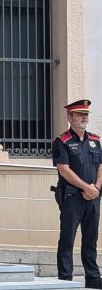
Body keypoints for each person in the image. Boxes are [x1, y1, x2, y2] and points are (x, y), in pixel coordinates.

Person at [53, 99, 102, 288]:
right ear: (69, 117)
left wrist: (96, 187)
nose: (84, 117)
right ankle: (65, 279)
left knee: (91, 240)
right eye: (80, 114)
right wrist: (86, 187)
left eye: (86, 114)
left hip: (93, 197)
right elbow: (64, 169)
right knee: (67, 239)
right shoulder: (62, 141)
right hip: (72, 197)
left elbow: (100, 165)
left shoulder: (95, 140)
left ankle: (93, 277)